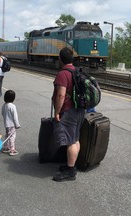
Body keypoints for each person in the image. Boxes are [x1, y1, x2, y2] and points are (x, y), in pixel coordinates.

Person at [51, 47, 85, 182]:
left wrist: (57, 112)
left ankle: (70, 171)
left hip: (68, 110)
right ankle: (71, 165)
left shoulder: (63, 74)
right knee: (75, 138)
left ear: (60, 59)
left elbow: (61, 95)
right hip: (80, 110)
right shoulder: (77, 71)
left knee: (70, 141)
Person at [1, 90, 21, 156]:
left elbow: (2, 113)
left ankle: (6, 147)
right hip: (12, 124)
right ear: (13, 98)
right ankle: (12, 150)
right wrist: (17, 124)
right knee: (12, 136)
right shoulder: (12, 106)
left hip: (6, 124)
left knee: (7, 135)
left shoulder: (4, 105)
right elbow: (15, 116)